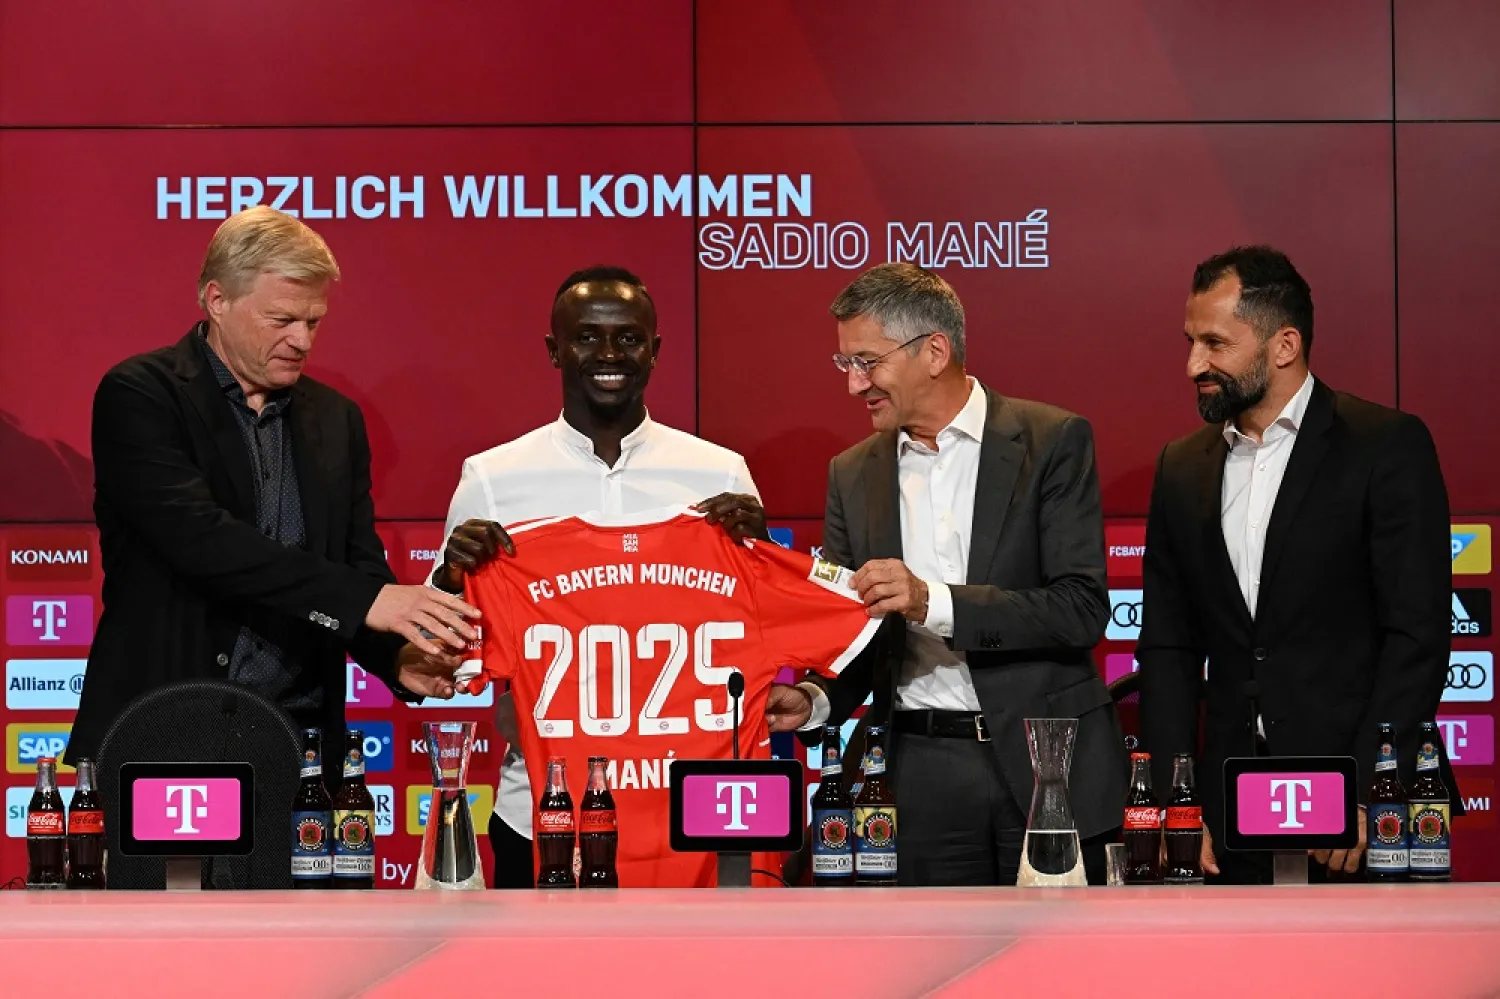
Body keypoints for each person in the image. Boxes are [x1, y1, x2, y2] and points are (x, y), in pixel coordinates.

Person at [71, 206, 478, 767]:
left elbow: (357, 564)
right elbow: (205, 543)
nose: (302, 340)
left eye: (313, 321)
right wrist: (369, 601)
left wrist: (395, 657)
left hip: (298, 746)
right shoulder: (141, 396)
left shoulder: (336, 420)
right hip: (166, 738)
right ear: (217, 300)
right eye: (281, 319)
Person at [771, 262, 1126, 886]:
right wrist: (819, 698)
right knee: (929, 976)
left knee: (1062, 976)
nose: (855, 384)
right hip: (919, 773)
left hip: (1047, 763)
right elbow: (856, 635)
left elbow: (1079, 609)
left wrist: (929, 601)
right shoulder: (852, 474)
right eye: (844, 364)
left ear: (934, 351)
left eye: (867, 361)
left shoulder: (1051, 441)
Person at [422, 266, 769, 888]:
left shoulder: (718, 472)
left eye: (629, 339)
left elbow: (764, 623)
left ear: (656, 351)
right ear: (554, 349)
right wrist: (451, 578)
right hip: (539, 812)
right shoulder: (493, 477)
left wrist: (759, 554)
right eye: (586, 337)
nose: (609, 355)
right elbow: (434, 651)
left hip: (690, 816)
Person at [1136, 245, 1455, 884]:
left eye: (1215, 343)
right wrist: (1179, 802)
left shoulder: (1385, 446)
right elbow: (1168, 648)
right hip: (1226, 819)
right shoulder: (1180, 466)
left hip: (1361, 816)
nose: (1193, 363)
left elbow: (1415, 638)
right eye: (1190, 341)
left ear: (1283, 345)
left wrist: (1370, 790)